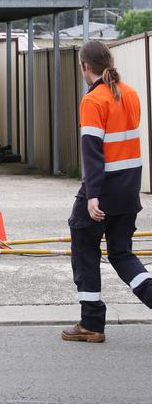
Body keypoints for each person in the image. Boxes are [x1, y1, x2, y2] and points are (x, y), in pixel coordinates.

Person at [62, 39, 152, 342]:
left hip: (102, 191)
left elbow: (93, 152)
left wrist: (92, 195)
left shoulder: (93, 100)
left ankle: (91, 324)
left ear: (85, 67)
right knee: (121, 253)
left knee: (84, 248)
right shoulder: (131, 94)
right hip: (128, 191)